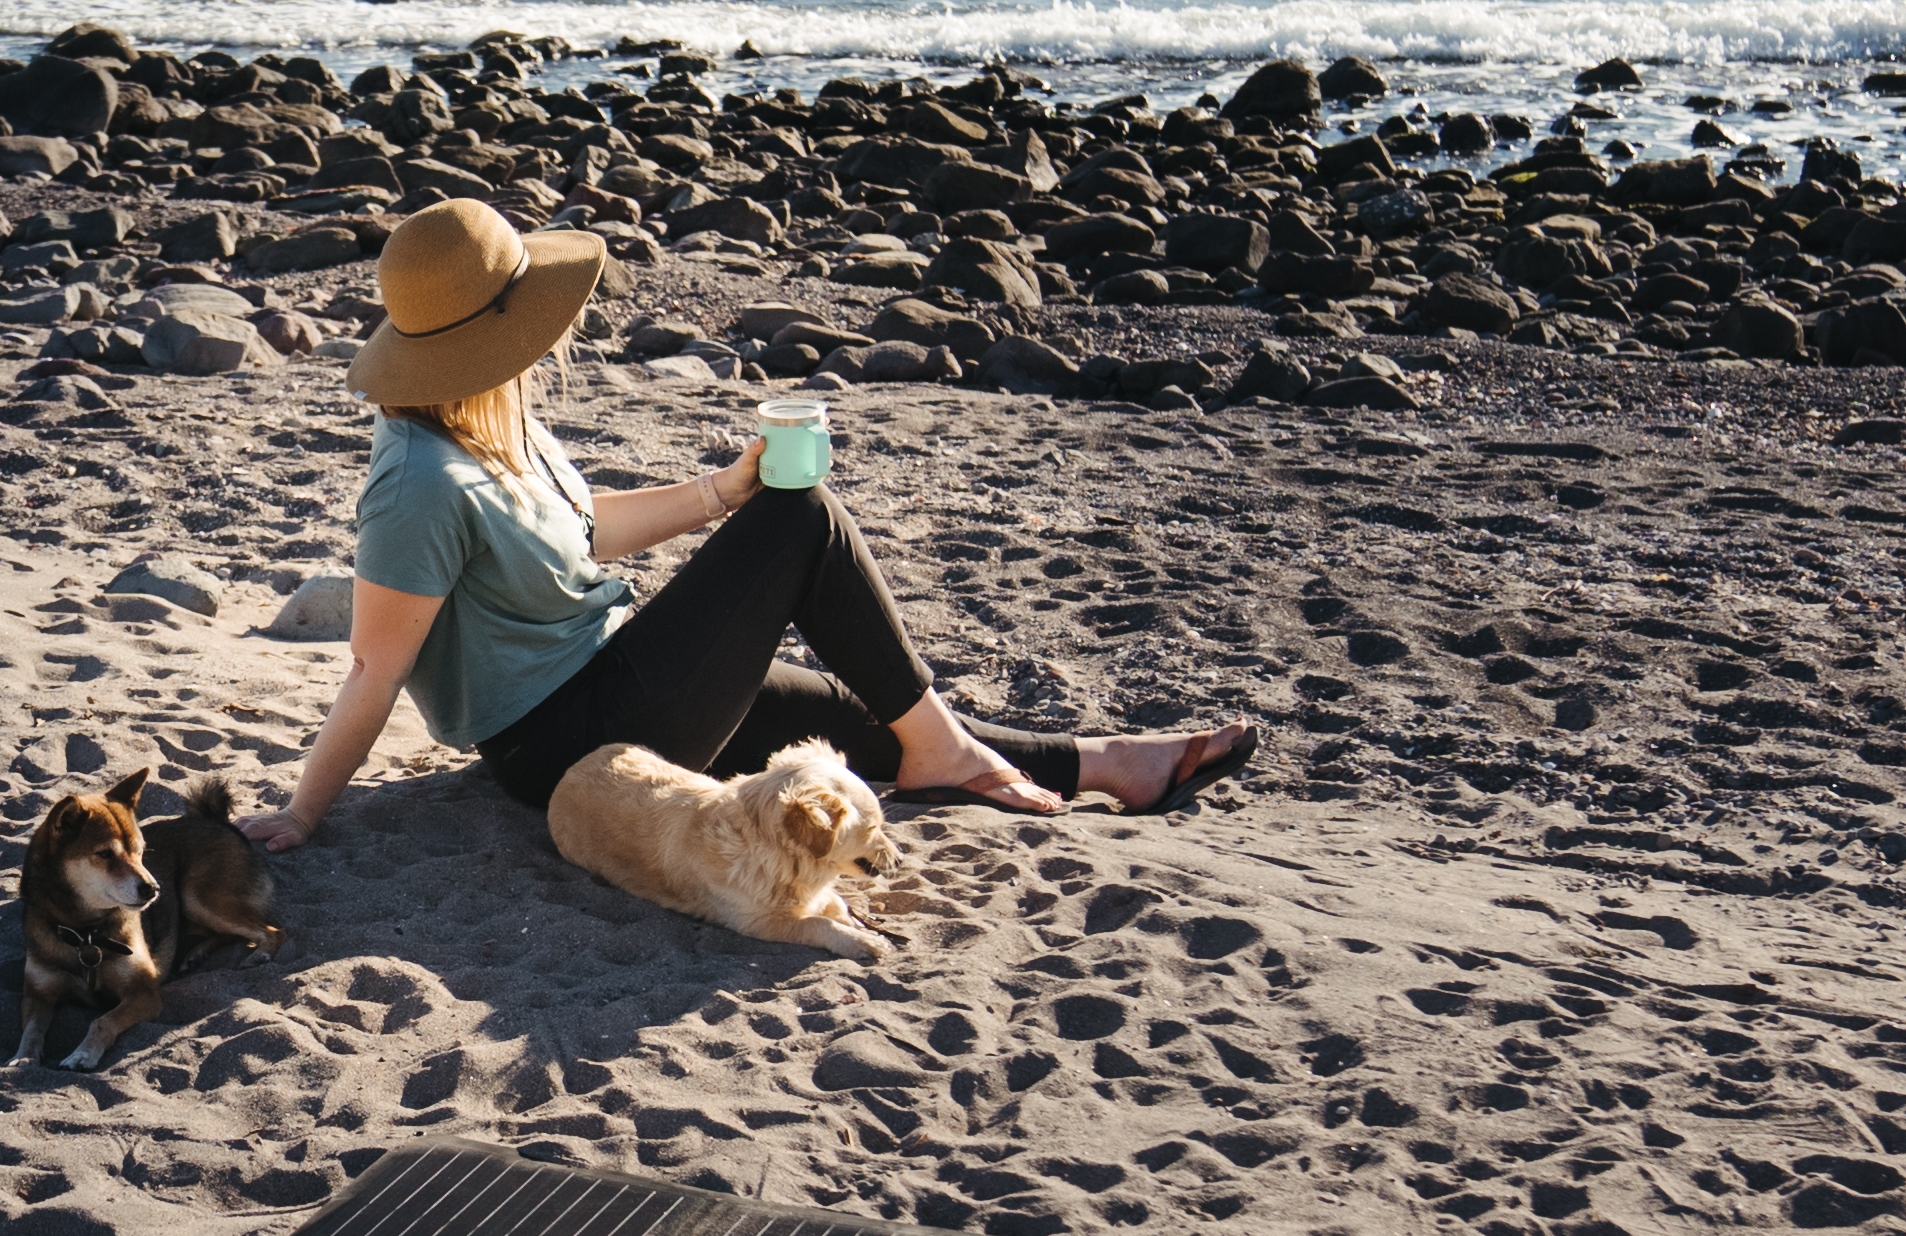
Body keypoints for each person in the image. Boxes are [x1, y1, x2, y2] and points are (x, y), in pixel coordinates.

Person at [240, 197, 1253, 854]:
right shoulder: (417, 480)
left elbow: (583, 530)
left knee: (869, 727)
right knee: (800, 517)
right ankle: (962, 747)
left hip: (616, 678)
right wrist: (305, 810)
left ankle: (1105, 760)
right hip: (565, 743)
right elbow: (374, 668)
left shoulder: (489, 418)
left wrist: (724, 488)